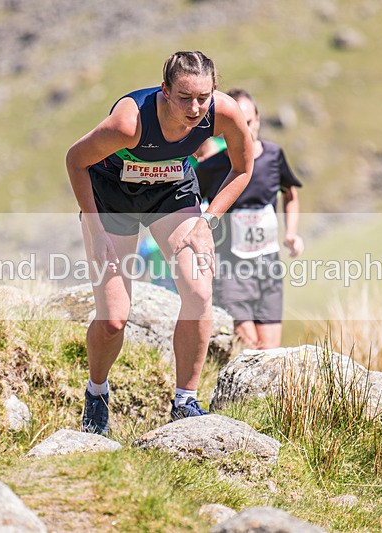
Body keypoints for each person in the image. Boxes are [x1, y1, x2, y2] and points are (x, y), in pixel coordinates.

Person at [65, 51, 254, 434]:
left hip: (171, 194)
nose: (195, 107)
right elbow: (75, 160)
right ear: (165, 90)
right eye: (185, 97)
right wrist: (96, 228)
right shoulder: (129, 121)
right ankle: (97, 393)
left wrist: (206, 221)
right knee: (114, 319)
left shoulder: (224, 112)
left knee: (199, 292)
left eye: (203, 97)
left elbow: (243, 168)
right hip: (111, 198)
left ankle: (185, 401)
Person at [196, 88, 304, 350]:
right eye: (237, 124)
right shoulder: (211, 167)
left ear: (258, 120)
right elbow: (189, 205)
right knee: (249, 347)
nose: (245, 129)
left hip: (268, 268)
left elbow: (290, 194)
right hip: (231, 271)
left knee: (269, 350)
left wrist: (291, 233)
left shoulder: (274, 156)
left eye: (249, 122)